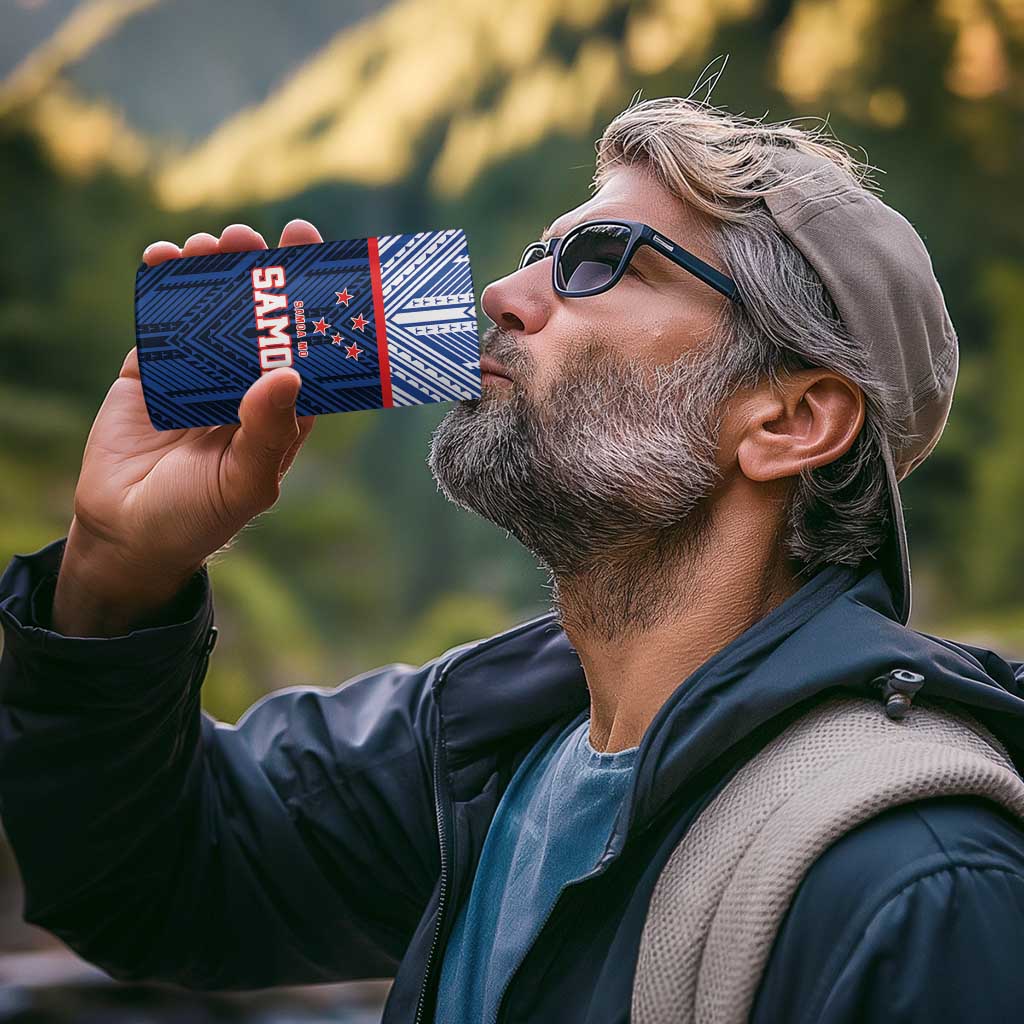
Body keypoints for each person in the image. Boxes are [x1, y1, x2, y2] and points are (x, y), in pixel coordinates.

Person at [2, 95, 1024, 1024]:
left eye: (599, 261)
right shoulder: (479, 749)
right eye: (540, 252)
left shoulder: (918, 884)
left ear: (791, 419)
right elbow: (149, 880)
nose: (503, 291)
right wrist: (116, 571)